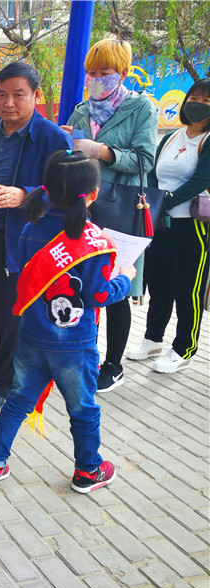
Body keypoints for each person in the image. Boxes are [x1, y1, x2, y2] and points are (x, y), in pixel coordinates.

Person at [0, 150, 135, 494]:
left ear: (46, 187)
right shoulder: (93, 242)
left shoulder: (30, 229)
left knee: (17, 401)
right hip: (74, 346)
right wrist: (125, 279)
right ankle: (88, 470)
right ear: (93, 194)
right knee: (83, 409)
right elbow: (98, 295)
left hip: (31, 338)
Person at [0, 61, 72, 413]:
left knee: (8, 321)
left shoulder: (54, 138)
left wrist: (27, 195)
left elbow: (68, 192)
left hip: (15, 244)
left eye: (18, 94)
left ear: (35, 95)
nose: (8, 102)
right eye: (2, 94)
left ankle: (0, 385)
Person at [63, 38, 157, 392]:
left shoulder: (141, 107)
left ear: (123, 73)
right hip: (83, 207)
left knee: (115, 285)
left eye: (104, 72)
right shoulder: (81, 110)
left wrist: (102, 150)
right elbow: (70, 156)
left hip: (119, 208)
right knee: (82, 283)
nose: (96, 78)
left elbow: (145, 160)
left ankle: (113, 364)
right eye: (91, 72)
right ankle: (81, 354)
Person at [128, 78, 210, 373]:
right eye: (195, 98)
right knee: (159, 283)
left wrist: (168, 202)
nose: (198, 104)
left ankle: (184, 348)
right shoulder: (172, 137)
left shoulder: (207, 140)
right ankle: (153, 339)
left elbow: (201, 180)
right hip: (162, 222)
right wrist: (154, 200)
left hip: (192, 224)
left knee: (188, 289)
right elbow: (152, 171)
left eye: (207, 101)